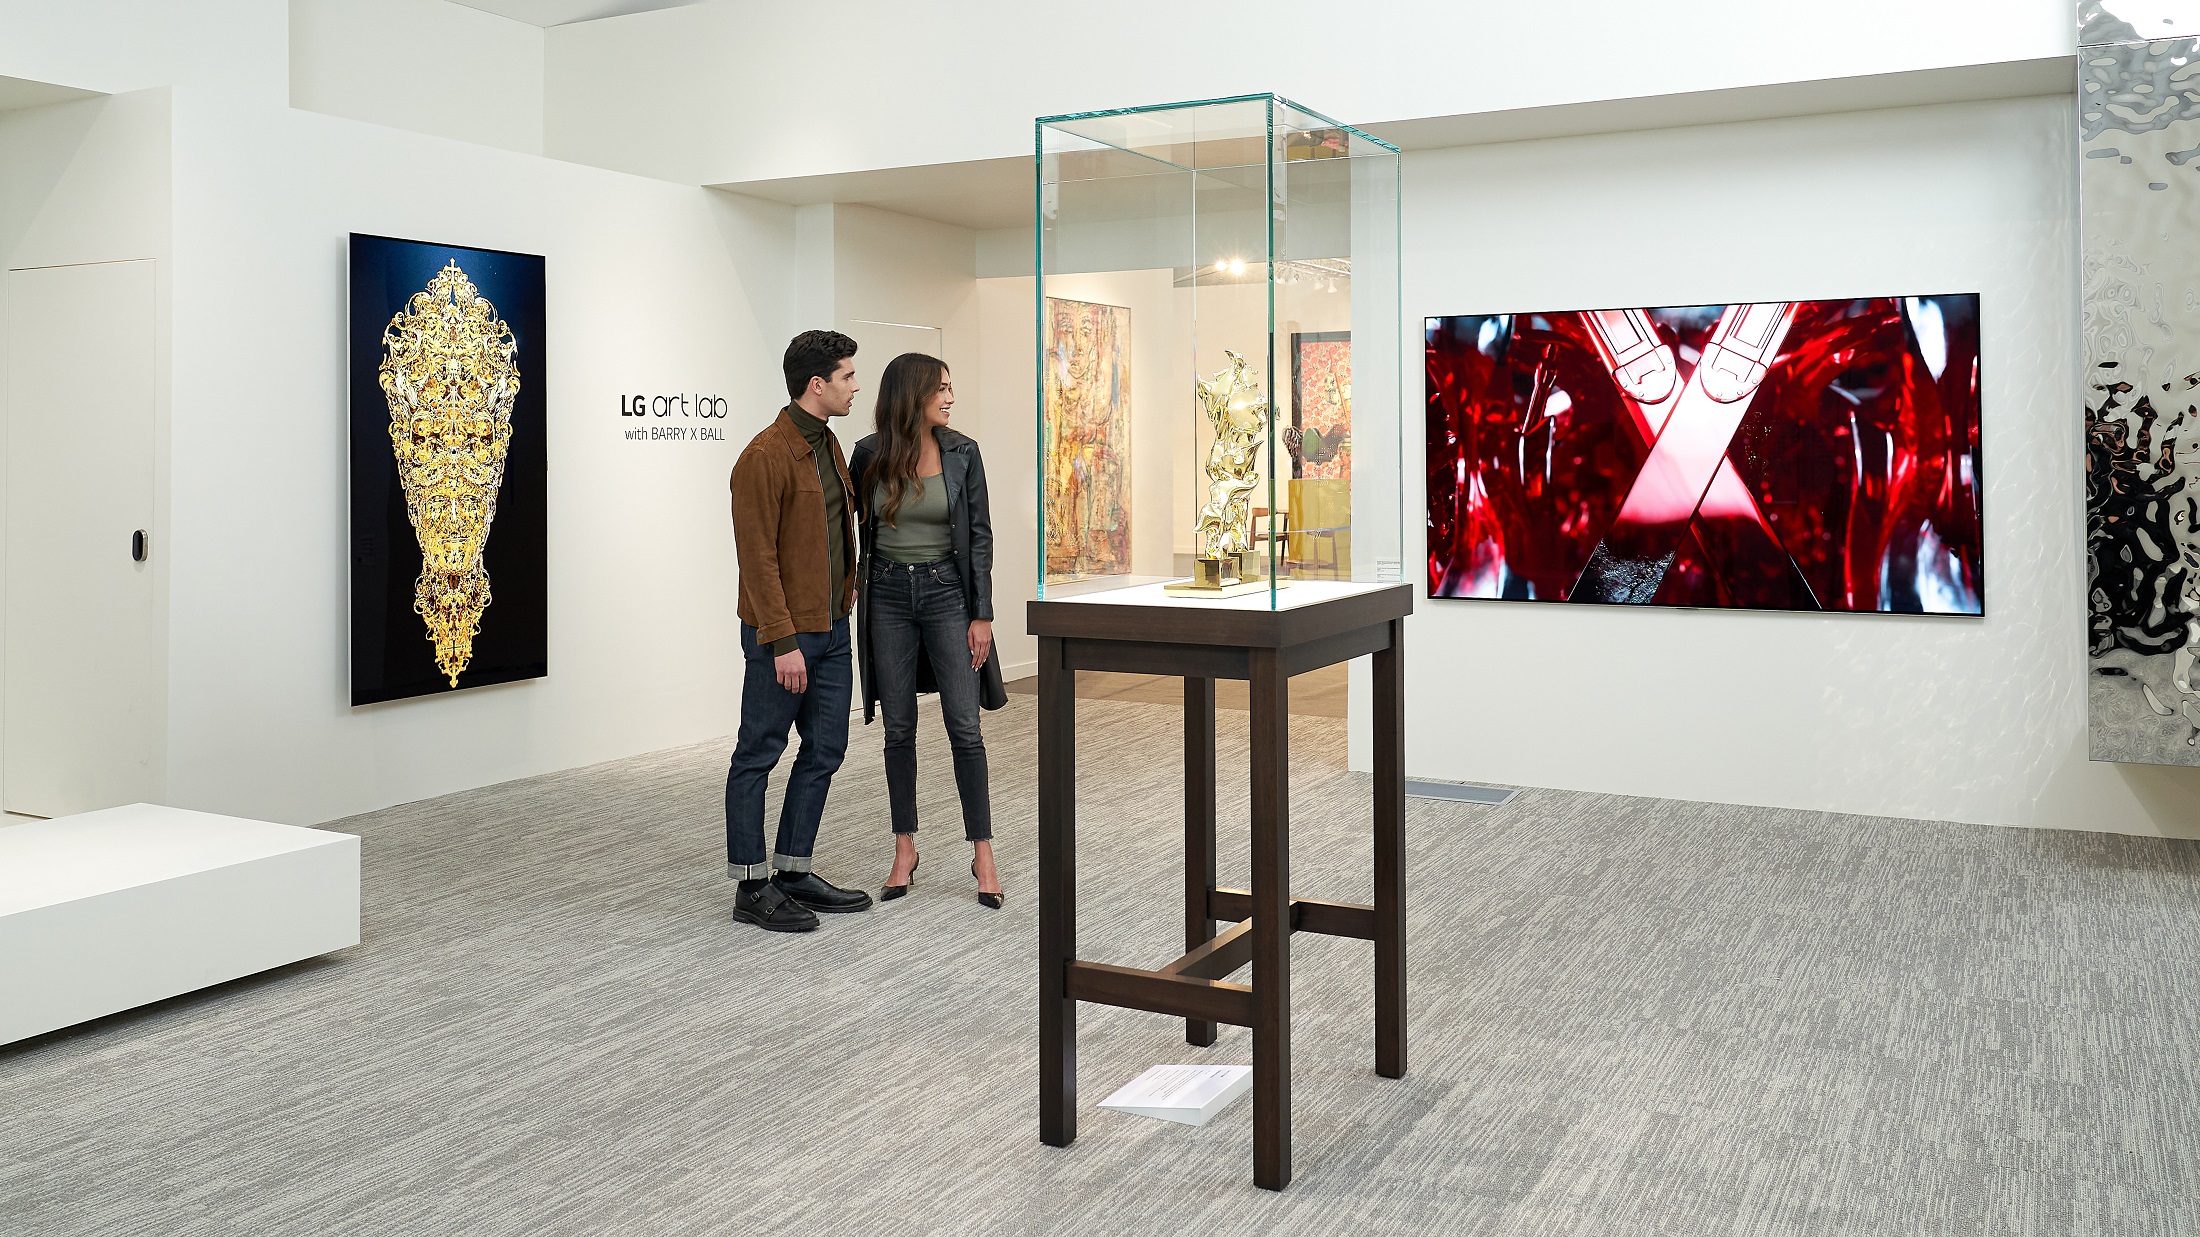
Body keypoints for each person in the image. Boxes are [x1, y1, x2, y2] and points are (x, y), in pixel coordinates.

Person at [723, 330, 875, 932]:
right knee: (759, 752)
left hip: (834, 628)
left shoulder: (829, 445)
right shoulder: (763, 456)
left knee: (826, 748)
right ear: (819, 384)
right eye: (847, 375)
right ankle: (750, 884)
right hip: (784, 634)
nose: (855, 385)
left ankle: (791, 868)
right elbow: (756, 559)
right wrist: (782, 641)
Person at [848, 353, 1006, 909]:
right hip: (887, 596)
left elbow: (980, 537)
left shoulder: (963, 453)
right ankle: (904, 848)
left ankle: (982, 851)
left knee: (965, 727)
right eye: (941, 387)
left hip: (947, 595)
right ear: (912, 393)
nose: (950, 397)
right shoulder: (868, 455)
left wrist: (981, 614)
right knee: (898, 728)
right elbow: (854, 536)